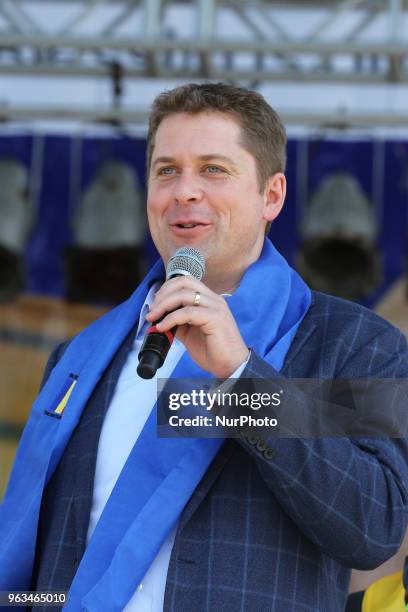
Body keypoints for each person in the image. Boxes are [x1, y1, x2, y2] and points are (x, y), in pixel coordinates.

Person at [1, 82, 408, 612]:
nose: (184, 191)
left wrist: (241, 377)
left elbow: (371, 525)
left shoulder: (353, 344)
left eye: (213, 169)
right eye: (166, 170)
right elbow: (43, 561)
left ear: (272, 196)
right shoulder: (82, 356)